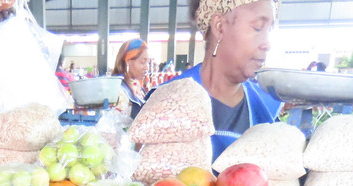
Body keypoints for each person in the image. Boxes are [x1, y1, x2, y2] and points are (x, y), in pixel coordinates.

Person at [175, 0, 282, 163]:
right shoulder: (168, 102)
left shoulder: (267, 105)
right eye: (258, 28)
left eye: (270, 30)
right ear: (219, 27)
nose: (267, 44)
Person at [113, 39, 150, 117]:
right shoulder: (119, 90)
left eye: (148, 63)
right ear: (128, 61)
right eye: (143, 62)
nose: (147, 67)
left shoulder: (138, 87)